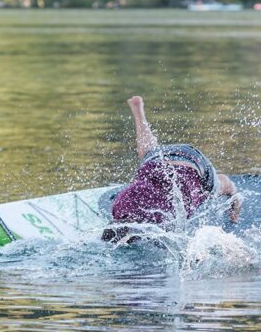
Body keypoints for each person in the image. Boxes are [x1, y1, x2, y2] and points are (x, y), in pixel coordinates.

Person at [102, 96, 240, 242]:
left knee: (217, 187)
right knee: (147, 155)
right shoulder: (119, 205)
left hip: (194, 164)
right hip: (157, 160)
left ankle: (233, 192)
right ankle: (138, 112)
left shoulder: (161, 223)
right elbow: (135, 184)